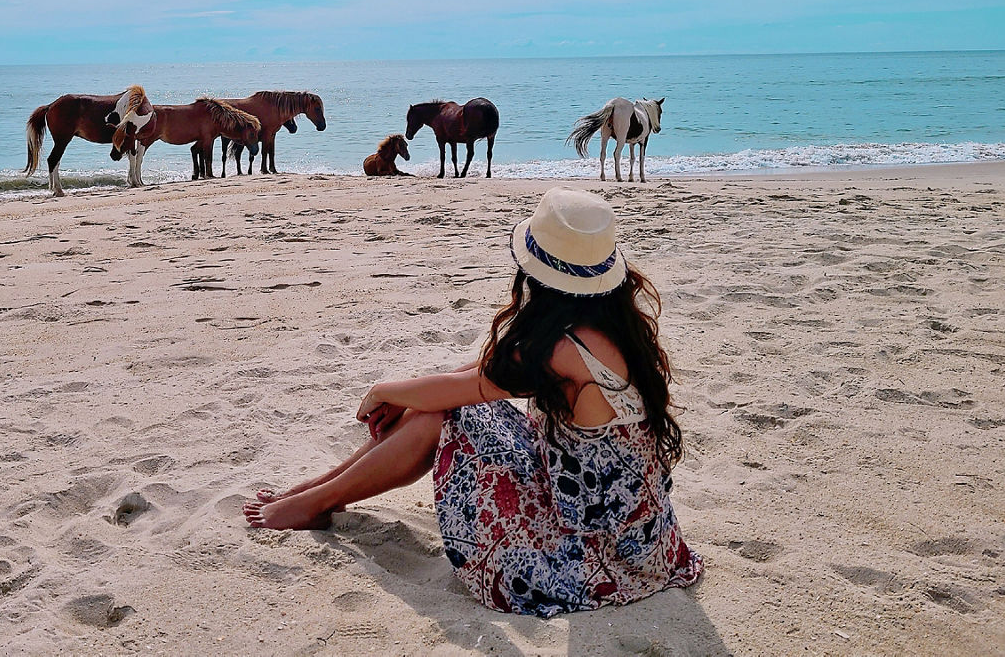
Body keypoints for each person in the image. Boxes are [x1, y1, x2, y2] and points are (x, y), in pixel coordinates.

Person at [244, 187, 702, 616]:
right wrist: (407, 393)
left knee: (443, 415)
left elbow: (466, 389)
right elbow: (478, 372)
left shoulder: (563, 351)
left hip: (587, 548)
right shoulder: (611, 324)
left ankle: (319, 499)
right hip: (641, 535)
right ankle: (321, 491)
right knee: (444, 403)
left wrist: (384, 392)